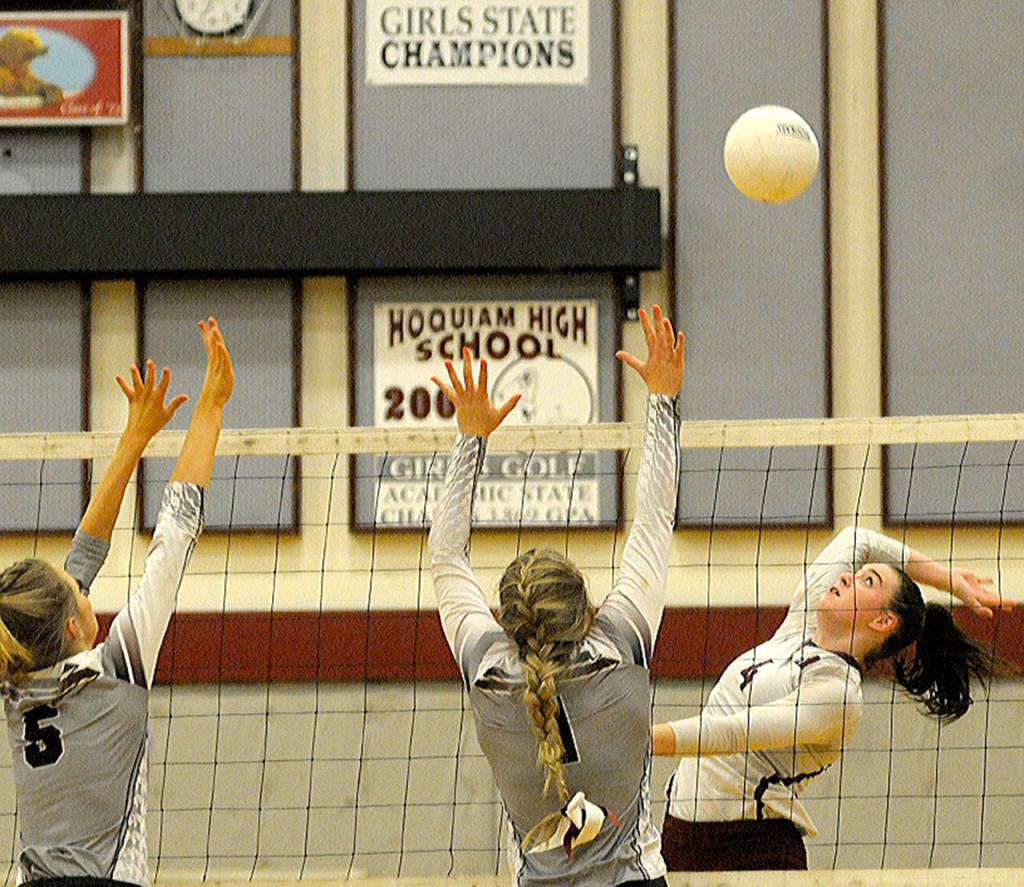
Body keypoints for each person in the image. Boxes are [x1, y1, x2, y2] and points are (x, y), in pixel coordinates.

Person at [428, 306, 683, 887]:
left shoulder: (489, 671)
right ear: (587, 610)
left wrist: (471, 436)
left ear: (505, 619)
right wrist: (662, 400)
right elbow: (654, 519)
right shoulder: (621, 646)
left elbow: (445, 556)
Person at [0, 317, 233, 887]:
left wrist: (135, 439)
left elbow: (81, 558)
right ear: (78, 620)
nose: (82, 577)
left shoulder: (14, 684)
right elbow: (175, 533)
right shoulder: (117, 669)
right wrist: (211, 406)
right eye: (76, 585)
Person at [652, 524, 1009, 871]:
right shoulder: (802, 626)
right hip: (678, 839)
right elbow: (858, 539)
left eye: (867, 581)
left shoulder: (838, 696)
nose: (845, 577)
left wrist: (640, 739)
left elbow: (729, 734)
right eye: (857, 574)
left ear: (884, 621)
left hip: (749, 852)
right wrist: (949, 580)